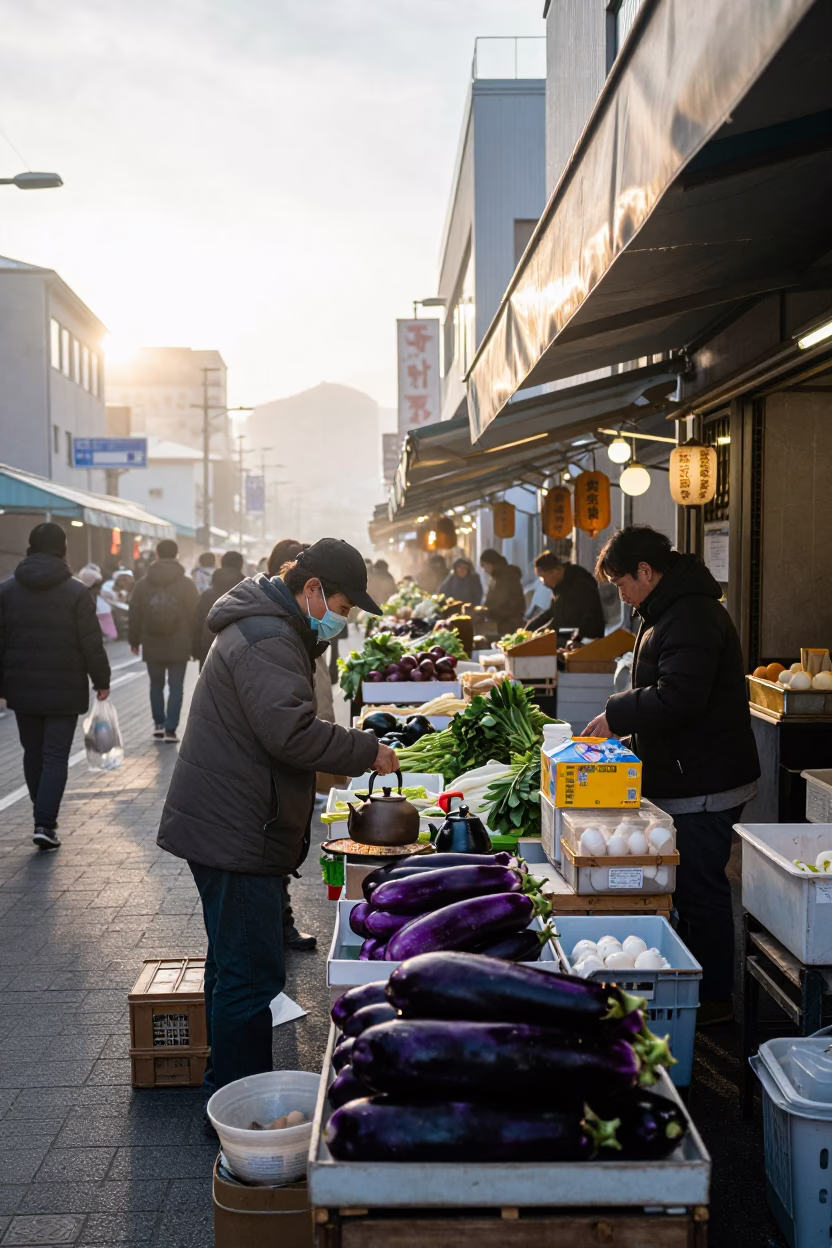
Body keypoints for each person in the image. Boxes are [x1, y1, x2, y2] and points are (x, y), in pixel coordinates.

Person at [156, 538, 398, 1104]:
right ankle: (240, 1106)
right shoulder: (267, 637)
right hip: (236, 831)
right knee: (249, 978)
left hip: (231, 820)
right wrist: (366, 750)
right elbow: (288, 732)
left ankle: (225, 1090)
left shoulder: (272, 627)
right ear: (311, 590)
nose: (343, 619)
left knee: (231, 967)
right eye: (342, 607)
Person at [584, 525, 760, 1027]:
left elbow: (681, 696)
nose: (621, 595)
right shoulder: (666, 608)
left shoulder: (692, 614)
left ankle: (715, 1001)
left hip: (706, 778)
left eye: (622, 583)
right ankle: (692, 985)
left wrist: (619, 715)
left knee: (702, 886)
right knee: (687, 883)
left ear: (646, 570)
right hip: (687, 769)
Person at [0, 523, 111, 850]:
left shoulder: (7, 591)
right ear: (63, 548)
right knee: (54, 756)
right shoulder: (77, 592)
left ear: (31, 547)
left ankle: (42, 816)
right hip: (64, 687)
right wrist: (101, 681)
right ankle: (44, 823)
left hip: (21, 687)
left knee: (32, 752)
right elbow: (91, 642)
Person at [128, 539, 199, 742]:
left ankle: (158, 724)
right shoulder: (186, 584)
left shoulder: (143, 583)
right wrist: (194, 643)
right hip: (179, 642)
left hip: (152, 641)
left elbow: (135, 614)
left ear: (156, 555)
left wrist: (134, 640)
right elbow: (195, 615)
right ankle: (171, 729)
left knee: (156, 685)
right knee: (176, 686)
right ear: (176, 555)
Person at [527, 551, 605, 644]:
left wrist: (544, 631)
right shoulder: (559, 585)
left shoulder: (579, 581)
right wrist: (530, 628)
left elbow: (566, 618)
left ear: (554, 571)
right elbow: (552, 612)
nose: (543, 582)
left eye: (543, 577)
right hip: (571, 635)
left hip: (586, 639)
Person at [192, 551, 245, 668]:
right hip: (241, 651)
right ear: (241, 565)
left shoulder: (207, 595)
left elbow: (197, 623)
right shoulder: (249, 592)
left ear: (222, 564)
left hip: (209, 651)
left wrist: (195, 650)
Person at [480, 549, 525, 636]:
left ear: (491, 564)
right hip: (502, 623)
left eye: (484, 565)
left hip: (509, 625)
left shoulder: (507, 577)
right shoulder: (496, 577)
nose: (484, 569)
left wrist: (490, 611)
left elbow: (511, 604)